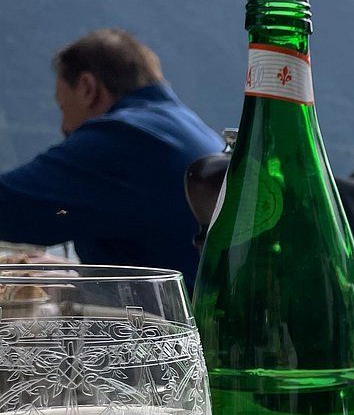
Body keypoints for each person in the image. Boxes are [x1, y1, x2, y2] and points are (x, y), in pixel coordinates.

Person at [0, 29, 222, 286]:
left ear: (87, 88)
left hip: (175, 321)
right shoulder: (184, 126)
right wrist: (78, 272)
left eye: (63, 106)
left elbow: (10, 206)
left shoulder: (126, 136)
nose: (63, 127)